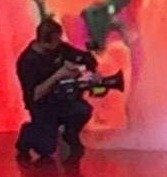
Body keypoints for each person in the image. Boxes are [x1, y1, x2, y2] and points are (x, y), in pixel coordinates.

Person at [13, 15, 106, 164]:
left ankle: (70, 134)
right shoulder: (27, 61)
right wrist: (58, 76)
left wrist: (93, 72)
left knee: (83, 110)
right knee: (47, 148)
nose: (60, 43)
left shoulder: (60, 49)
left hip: (61, 100)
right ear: (46, 41)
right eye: (57, 40)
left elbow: (84, 58)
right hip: (42, 106)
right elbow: (34, 95)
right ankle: (27, 136)